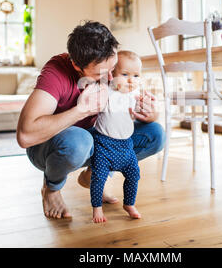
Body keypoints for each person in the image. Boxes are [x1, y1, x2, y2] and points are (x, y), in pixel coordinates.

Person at [16, 21, 165, 219]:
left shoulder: (110, 71)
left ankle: (95, 175)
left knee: (155, 134)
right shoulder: (56, 73)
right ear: (77, 65)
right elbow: (25, 136)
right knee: (80, 141)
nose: (111, 77)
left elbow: (126, 111)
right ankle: (51, 188)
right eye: (102, 74)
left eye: (114, 68)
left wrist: (150, 113)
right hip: (49, 147)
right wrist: (81, 111)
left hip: (94, 139)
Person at [90, 51, 142, 223]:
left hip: (126, 146)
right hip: (104, 144)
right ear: (112, 74)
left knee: (134, 174)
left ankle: (129, 203)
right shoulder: (106, 90)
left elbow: (136, 114)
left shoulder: (133, 95)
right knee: (99, 177)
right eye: (125, 74)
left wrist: (144, 108)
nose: (130, 80)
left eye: (136, 76)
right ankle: (97, 208)